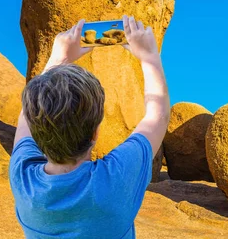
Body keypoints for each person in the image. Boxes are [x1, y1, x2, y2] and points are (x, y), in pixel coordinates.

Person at [9, 15, 170, 238]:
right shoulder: (114, 180)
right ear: (96, 133)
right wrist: (149, 56)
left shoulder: (23, 179)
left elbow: (26, 118)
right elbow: (158, 116)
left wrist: (57, 59)